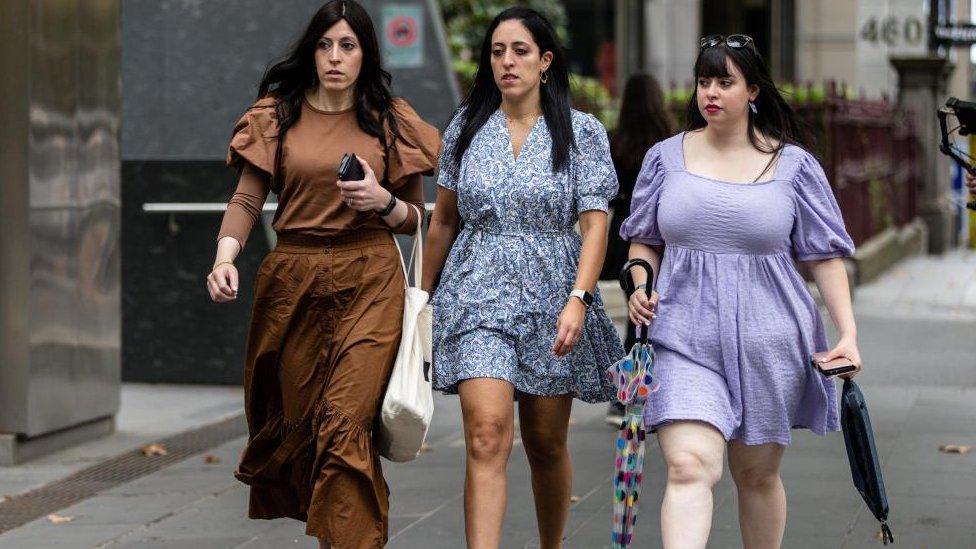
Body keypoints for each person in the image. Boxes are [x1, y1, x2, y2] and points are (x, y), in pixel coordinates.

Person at [204, 2, 440, 547]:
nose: (335, 57)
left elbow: (413, 220)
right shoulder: (277, 114)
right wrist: (224, 258)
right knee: (305, 428)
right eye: (325, 45)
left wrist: (382, 201)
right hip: (294, 283)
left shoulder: (388, 119)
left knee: (343, 422)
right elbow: (247, 197)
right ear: (312, 51)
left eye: (348, 46)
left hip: (369, 277)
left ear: (365, 54)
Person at [620, 34, 861, 549]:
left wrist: (848, 334)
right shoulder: (666, 157)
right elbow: (644, 241)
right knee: (688, 466)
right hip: (682, 332)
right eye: (704, 81)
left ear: (752, 89)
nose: (711, 92)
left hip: (769, 339)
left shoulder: (793, 166)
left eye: (725, 82)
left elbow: (823, 255)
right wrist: (639, 281)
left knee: (755, 476)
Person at [421, 7, 624, 548]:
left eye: (520, 51)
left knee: (544, 442)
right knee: (487, 435)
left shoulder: (581, 132)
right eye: (497, 51)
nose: (506, 62)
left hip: (553, 294)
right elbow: (443, 220)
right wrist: (418, 296)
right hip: (477, 291)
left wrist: (580, 298)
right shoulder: (465, 126)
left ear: (546, 61)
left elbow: (595, 223)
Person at [602, 73, 677, 426]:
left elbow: (608, 191)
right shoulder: (669, 141)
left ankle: (628, 395)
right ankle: (649, 390)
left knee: (637, 318)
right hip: (664, 233)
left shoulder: (617, 141)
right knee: (658, 312)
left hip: (626, 233)